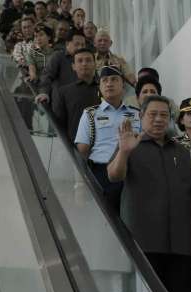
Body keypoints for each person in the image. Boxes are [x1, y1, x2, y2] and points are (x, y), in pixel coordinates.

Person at [107, 95, 191, 292]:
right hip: (143, 243)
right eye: (153, 114)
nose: (159, 120)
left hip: (181, 244)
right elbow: (114, 175)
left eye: (164, 115)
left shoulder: (181, 151)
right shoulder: (130, 145)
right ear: (141, 116)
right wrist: (124, 152)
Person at [74, 66, 140, 211]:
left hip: (133, 175)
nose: (109, 84)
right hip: (101, 175)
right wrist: (79, 184)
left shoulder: (137, 114)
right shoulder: (90, 114)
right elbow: (81, 152)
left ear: (123, 85)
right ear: (100, 87)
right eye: (105, 81)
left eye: (114, 80)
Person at [51, 48, 100, 142]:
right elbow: (59, 124)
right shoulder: (63, 92)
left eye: (88, 60)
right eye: (80, 61)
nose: (84, 64)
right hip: (75, 148)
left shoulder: (105, 89)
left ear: (95, 64)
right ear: (73, 66)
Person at [36, 29, 86, 104]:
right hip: (61, 105)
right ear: (67, 44)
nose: (80, 48)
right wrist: (44, 93)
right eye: (77, 44)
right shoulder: (58, 57)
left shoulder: (87, 59)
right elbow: (47, 75)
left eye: (83, 45)